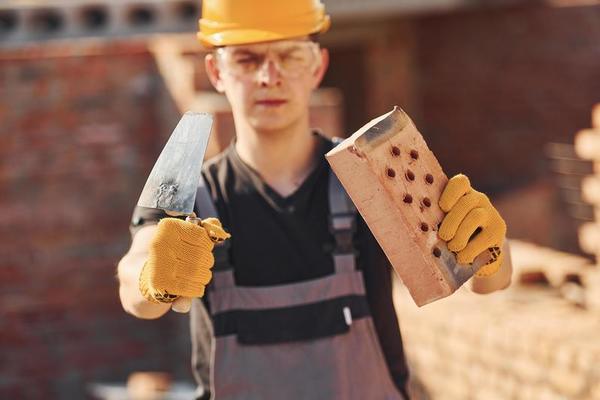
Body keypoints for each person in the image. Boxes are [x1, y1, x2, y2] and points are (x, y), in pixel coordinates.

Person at [117, 1, 512, 399]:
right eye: (247, 59)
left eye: (289, 56)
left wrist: (489, 248)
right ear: (217, 72)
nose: (270, 77)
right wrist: (153, 277)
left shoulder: (370, 175)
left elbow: (485, 281)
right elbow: (134, 279)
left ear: (317, 67)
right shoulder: (190, 197)